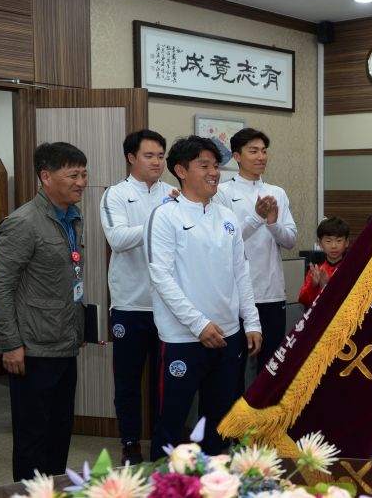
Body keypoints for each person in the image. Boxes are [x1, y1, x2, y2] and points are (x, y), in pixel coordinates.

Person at [144, 136, 262, 460]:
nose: (214, 172)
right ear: (181, 170)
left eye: (215, 166)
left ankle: (214, 488)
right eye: (204, 165)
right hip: (183, 339)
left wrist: (251, 322)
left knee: (217, 427)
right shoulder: (165, 216)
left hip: (228, 338)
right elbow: (161, 278)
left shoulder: (228, 217)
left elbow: (241, 274)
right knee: (170, 426)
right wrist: (198, 324)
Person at [0, 142, 89, 481]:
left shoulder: (72, 219)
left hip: (64, 342)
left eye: (84, 174)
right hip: (31, 348)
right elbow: (0, 287)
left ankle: (55, 489)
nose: (81, 181)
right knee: (33, 438)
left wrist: (81, 328)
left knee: (60, 434)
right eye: (73, 174)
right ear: (46, 176)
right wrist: (9, 344)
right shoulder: (23, 223)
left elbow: (67, 281)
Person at [100, 130, 177, 465]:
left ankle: (163, 443)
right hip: (130, 305)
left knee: (167, 381)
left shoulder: (175, 193)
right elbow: (117, 238)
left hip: (169, 305)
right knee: (128, 381)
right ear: (132, 158)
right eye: (150, 156)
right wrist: (160, 218)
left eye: (161, 155)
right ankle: (130, 442)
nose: (158, 162)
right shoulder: (115, 195)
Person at [215, 128, 297, 394]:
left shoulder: (277, 192)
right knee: (233, 369)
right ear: (237, 156)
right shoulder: (223, 192)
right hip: (237, 296)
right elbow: (227, 239)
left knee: (271, 366)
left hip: (272, 294)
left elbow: (290, 240)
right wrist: (258, 217)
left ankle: (264, 429)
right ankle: (232, 431)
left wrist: (272, 223)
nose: (261, 156)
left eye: (263, 151)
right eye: (253, 151)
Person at [297, 216, 350, 307]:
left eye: (339, 241)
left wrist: (328, 287)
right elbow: (304, 301)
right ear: (320, 244)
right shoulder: (315, 272)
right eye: (328, 241)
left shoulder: (352, 270)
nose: (333, 246)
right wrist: (313, 286)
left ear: (346, 242)